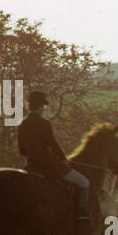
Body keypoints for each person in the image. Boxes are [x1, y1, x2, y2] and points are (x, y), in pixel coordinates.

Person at [18, 90, 90, 221]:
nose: (44, 109)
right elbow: (53, 144)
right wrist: (63, 158)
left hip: (31, 166)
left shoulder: (22, 124)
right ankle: (82, 214)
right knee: (84, 181)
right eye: (43, 106)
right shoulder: (44, 123)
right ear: (40, 106)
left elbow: (22, 151)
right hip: (48, 165)